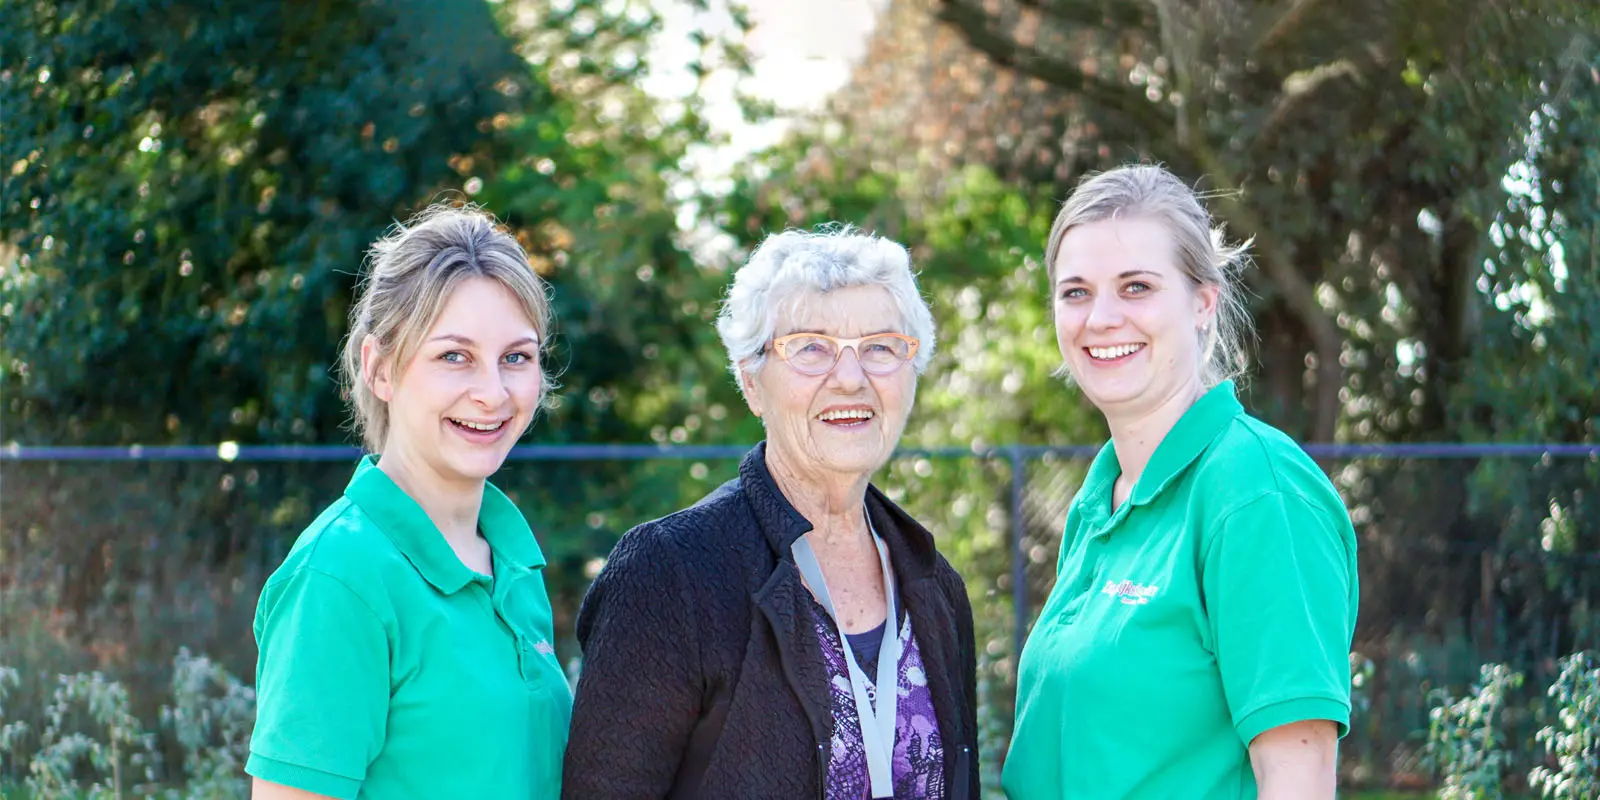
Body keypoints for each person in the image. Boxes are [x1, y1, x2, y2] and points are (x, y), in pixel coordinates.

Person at [562, 226, 980, 799]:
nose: (851, 378)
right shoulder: (669, 574)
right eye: (812, 348)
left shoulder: (935, 586)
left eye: (881, 347)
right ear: (751, 382)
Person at [1002, 165, 1358, 799]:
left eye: (1136, 287)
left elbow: (1298, 782)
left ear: (1202, 301)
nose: (1101, 318)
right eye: (1075, 292)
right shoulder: (1099, 502)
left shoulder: (1255, 490)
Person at [247, 205, 571, 799]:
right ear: (380, 369)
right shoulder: (340, 575)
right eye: (454, 356)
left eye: (516, 358)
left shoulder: (511, 563)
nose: (493, 393)